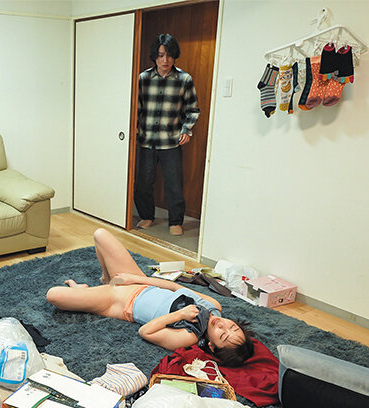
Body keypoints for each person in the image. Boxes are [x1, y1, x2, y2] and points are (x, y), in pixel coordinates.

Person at [46, 228, 255, 367]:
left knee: (53, 295)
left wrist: (179, 315)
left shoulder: (189, 335)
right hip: (139, 283)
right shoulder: (213, 305)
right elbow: (174, 286)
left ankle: (86, 291)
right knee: (100, 234)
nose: (223, 325)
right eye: (232, 326)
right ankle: (105, 279)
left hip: (117, 301)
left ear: (212, 346)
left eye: (222, 335)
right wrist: (134, 278)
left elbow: (146, 331)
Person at [135, 34, 200, 236]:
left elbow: (193, 109)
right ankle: (146, 216)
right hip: (146, 140)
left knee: (174, 184)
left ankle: (175, 221)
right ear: (154, 56)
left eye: (170, 55)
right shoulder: (143, 79)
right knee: (143, 182)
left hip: (171, 141)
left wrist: (186, 130)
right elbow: (135, 108)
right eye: (161, 55)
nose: (165, 60)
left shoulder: (184, 79)